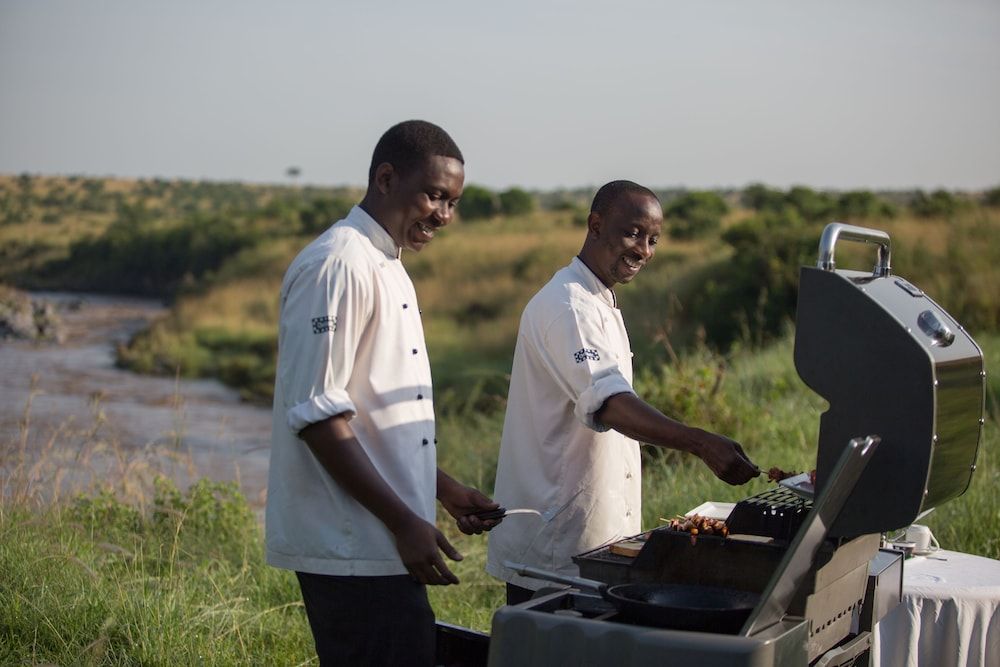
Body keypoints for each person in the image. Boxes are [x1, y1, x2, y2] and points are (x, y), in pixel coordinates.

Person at [265, 120, 499, 666]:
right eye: (434, 195)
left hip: (382, 540)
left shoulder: (388, 263)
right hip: (350, 544)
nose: (443, 214)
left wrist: (441, 488)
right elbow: (318, 416)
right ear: (387, 178)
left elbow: (366, 415)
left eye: (453, 202)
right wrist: (403, 522)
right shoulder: (337, 264)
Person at [485, 180, 759, 603]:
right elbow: (610, 403)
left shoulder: (599, 299)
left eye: (653, 240)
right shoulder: (569, 306)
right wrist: (699, 442)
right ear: (595, 225)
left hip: (590, 541)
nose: (644, 250)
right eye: (632, 233)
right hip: (554, 549)